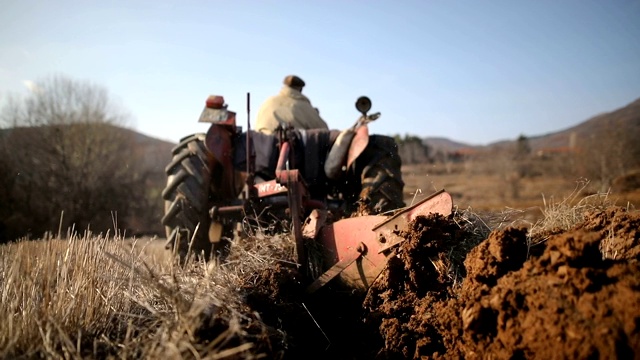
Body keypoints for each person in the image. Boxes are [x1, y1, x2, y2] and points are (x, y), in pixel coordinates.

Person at [256, 75, 329, 135]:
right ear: (300, 89)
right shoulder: (303, 106)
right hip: (289, 148)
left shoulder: (268, 102)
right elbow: (324, 130)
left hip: (261, 147)